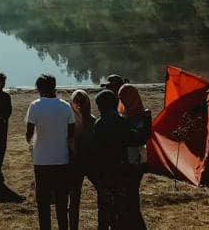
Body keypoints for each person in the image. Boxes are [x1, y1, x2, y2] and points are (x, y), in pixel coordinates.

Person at [93, 88, 151, 230]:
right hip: (123, 170)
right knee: (124, 208)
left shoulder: (99, 124)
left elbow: (96, 149)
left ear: (100, 107)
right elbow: (137, 139)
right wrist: (147, 121)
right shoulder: (123, 122)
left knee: (109, 209)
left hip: (106, 172)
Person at [25, 74, 75, 230]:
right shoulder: (66, 106)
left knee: (43, 203)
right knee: (61, 201)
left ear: (40, 88)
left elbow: (28, 134)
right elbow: (71, 132)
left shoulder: (35, 105)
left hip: (41, 161)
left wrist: (35, 141)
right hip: (61, 159)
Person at [67, 90, 97, 230]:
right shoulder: (69, 122)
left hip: (91, 163)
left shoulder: (93, 121)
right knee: (74, 200)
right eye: (76, 101)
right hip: (75, 164)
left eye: (82, 101)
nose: (79, 104)